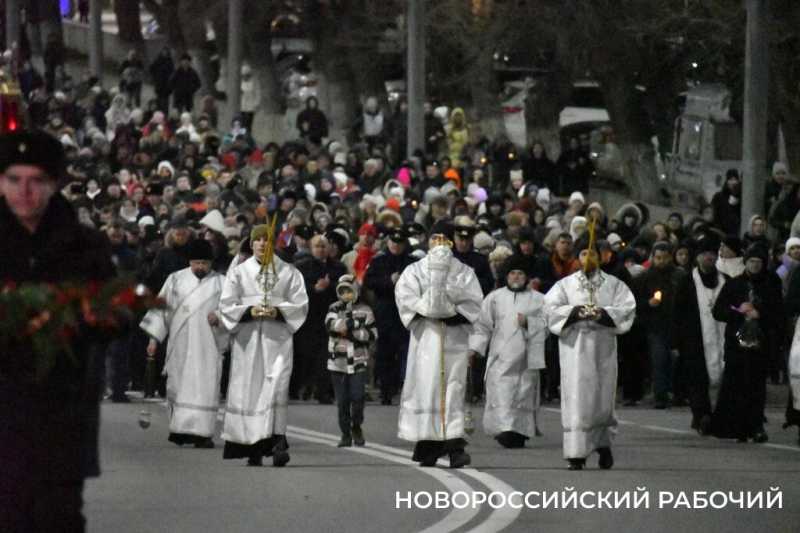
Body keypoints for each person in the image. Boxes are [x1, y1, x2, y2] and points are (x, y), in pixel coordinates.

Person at [0, 131, 115, 531]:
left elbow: (116, 316)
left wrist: (85, 317)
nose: (25, 192)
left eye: (36, 181)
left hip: (62, 414)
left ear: (54, 184)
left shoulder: (85, 247)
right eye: (14, 179)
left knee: (58, 518)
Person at [395, 220, 484, 468]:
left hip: (454, 338)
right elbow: (406, 300)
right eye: (436, 239)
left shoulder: (464, 272)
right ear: (429, 240)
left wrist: (452, 312)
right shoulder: (414, 271)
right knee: (429, 389)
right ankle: (428, 443)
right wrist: (430, 308)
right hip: (427, 340)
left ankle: (455, 445)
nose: (440, 244)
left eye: (445, 239)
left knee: (453, 389)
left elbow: (474, 303)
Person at [543, 236, 636, 470]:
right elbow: (550, 309)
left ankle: (603, 445)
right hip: (575, 349)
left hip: (603, 348)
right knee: (576, 399)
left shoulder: (614, 284)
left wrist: (602, 314)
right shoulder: (565, 285)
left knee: (602, 399)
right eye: (583, 254)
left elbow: (627, 309)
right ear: (577, 257)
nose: (587, 258)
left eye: (592, 254)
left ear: (601, 256)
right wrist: (575, 313)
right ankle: (576, 453)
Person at [219, 224, 309, 466]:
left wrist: (278, 311)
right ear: (251, 244)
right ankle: (251, 446)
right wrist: (249, 310)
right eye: (257, 240)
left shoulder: (289, 272)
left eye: (266, 240)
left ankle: (277, 442)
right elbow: (226, 304)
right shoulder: (238, 273)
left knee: (276, 387)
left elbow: (300, 304)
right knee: (249, 389)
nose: (261, 244)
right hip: (247, 341)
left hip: (276, 340)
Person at [139, 239, 228, 449]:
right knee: (177, 384)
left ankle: (203, 433)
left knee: (205, 387)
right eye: (196, 263)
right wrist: (153, 339)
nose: (200, 267)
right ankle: (179, 430)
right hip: (180, 342)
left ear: (211, 263)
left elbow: (231, 309)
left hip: (208, 344)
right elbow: (161, 310)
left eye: (204, 263)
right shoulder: (175, 280)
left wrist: (220, 316)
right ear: (190, 261)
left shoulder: (222, 283)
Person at [469, 255, 547, 448]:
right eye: (512, 273)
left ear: (527, 277)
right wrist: (475, 348)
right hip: (500, 355)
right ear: (506, 276)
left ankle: (519, 431)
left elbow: (548, 325)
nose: (516, 277)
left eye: (520, 273)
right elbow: (482, 325)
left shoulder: (539, 299)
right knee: (502, 393)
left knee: (523, 392)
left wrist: (529, 322)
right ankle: (505, 429)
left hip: (527, 357)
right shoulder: (494, 298)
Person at [711, 244, 783, 443]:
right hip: (736, 343)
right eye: (751, 261)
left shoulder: (771, 282)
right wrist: (738, 310)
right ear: (746, 262)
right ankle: (737, 427)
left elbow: (778, 311)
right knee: (736, 384)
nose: (755, 266)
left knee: (756, 385)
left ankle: (756, 425)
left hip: (761, 343)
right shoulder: (734, 284)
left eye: (759, 262)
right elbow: (719, 311)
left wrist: (761, 313)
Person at [673, 235, 727, 435]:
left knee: (721, 376)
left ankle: (718, 415)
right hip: (694, 339)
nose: (708, 258)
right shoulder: (687, 282)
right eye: (704, 254)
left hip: (721, 336)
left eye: (712, 254)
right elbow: (677, 313)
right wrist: (677, 341)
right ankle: (701, 415)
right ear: (698, 257)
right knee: (697, 380)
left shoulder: (724, 281)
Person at [363, 227, 418, 405]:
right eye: (393, 242)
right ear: (388, 243)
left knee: (405, 351)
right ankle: (385, 389)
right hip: (385, 311)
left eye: (399, 242)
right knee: (385, 352)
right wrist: (388, 281)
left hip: (406, 312)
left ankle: (402, 387)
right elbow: (369, 282)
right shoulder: (379, 261)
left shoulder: (412, 262)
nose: (396, 245)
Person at [293, 235, 347, 403]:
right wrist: (314, 288)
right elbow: (297, 289)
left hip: (332, 316)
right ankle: (306, 387)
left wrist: (329, 286)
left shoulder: (338, 267)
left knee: (328, 355)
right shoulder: (303, 267)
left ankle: (324, 391)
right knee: (308, 355)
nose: (321, 249)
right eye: (317, 246)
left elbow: (344, 287)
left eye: (324, 246)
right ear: (311, 248)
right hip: (310, 317)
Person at [326, 274, 377, 447]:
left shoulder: (366, 310)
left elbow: (372, 334)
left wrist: (352, 330)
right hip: (338, 363)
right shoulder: (333, 308)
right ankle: (345, 433)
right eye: (343, 291)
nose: (346, 295)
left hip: (358, 361)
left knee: (357, 397)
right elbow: (331, 326)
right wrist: (351, 325)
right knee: (342, 401)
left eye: (349, 291)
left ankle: (356, 425)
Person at [633, 241, 685, 409]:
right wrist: (649, 303)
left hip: (677, 324)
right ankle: (660, 395)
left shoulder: (680, 276)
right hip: (656, 326)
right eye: (658, 258)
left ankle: (677, 393)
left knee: (676, 361)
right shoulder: (644, 278)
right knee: (660, 360)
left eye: (665, 258)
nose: (661, 261)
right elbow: (635, 302)